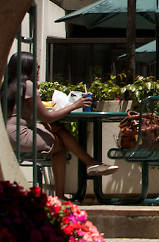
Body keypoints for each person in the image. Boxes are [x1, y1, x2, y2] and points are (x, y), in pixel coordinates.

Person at [4, 51, 118, 196]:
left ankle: (91, 164)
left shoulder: (8, 86)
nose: (38, 70)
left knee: (58, 129)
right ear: (28, 68)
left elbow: (25, 115)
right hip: (19, 136)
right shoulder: (28, 86)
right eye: (36, 67)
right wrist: (75, 105)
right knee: (59, 148)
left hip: (5, 137)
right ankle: (63, 192)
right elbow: (47, 117)